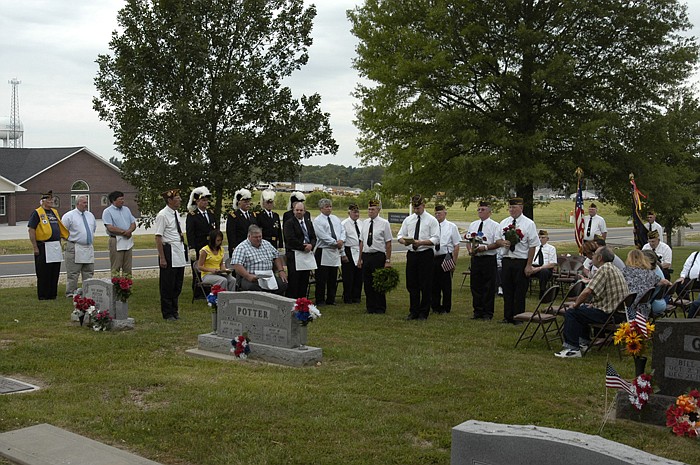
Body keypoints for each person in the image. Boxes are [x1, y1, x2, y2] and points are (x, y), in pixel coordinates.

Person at [555, 247, 629, 358]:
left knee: (572, 312)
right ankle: (583, 342)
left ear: (600, 258)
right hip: (618, 313)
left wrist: (575, 305)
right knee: (584, 309)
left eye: (594, 254)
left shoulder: (603, 270)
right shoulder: (613, 268)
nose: (592, 256)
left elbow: (587, 292)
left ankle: (572, 349)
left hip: (609, 315)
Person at [495, 197, 540, 325]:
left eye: (514, 207)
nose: (511, 210)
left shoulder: (528, 224)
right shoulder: (504, 222)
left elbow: (532, 245)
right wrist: (502, 242)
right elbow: (497, 239)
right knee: (507, 289)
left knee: (519, 291)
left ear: (521, 208)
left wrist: (529, 265)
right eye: (510, 207)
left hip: (521, 260)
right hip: (507, 259)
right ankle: (507, 316)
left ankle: (519, 317)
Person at [397, 194, 439, 320]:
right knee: (412, 283)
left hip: (425, 254)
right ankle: (413, 310)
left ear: (423, 206)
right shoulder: (409, 220)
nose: (416, 210)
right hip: (412, 254)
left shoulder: (431, 220)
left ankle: (423, 312)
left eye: (418, 208)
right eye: (414, 208)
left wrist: (420, 242)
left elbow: (435, 239)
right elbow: (400, 235)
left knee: (425, 284)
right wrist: (404, 241)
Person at [28, 190, 69, 300]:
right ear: (43, 201)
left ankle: (52, 294)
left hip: (55, 245)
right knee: (43, 271)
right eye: (49, 199)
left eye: (52, 199)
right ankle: (43, 295)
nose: (51, 201)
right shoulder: (37, 213)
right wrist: (35, 246)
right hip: (43, 245)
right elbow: (31, 230)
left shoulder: (54, 212)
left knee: (54, 270)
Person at [154, 189, 187, 321]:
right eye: (177, 198)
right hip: (168, 250)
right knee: (167, 283)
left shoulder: (175, 213)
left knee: (177, 283)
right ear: (169, 200)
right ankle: (167, 312)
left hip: (178, 249)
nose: (179, 200)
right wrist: (162, 257)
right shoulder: (163, 215)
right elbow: (158, 237)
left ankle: (175, 310)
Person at [465, 201, 501, 320]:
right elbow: (469, 240)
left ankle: (487, 313)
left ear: (489, 212)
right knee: (475, 285)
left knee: (488, 286)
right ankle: (477, 311)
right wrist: (470, 250)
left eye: (483, 209)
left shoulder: (495, 226)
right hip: (476, 258)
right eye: (479, 209)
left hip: (488, 258)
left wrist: (484, 248)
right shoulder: (473, 224)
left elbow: (497, 243)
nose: (480, 212)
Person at [358, 199, 392, 314]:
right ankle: (370, 307)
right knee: (367, 283)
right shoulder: (365, 222)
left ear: (378, 210)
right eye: (369, 209)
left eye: (373, 209)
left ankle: (380, 307)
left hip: (378, 255)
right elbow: (362, 242)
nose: (370, 211)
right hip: (367, 255)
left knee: (378, 282)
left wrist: (387, 260)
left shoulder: (384, 223)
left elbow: (388, 242)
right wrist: (360, 258)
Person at [231, 225, 287, 294]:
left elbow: (276, 256)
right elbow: (237, 265)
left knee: (283, 284)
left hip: (269, 276)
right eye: (255, 237)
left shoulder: (266, 244)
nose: (258, 239)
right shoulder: (241, 248)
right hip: (252, 277)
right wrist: (248, 276)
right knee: (254, 288)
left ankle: (275, 303)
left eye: (260, 236)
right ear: (249, 236)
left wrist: (281, 271)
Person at [61, 195, 97, 297]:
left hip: (88, 247)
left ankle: (88, 292)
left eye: (86, 202)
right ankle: (71, 292)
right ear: (77, 203)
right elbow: (63, 232)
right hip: (74, 247)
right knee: (73, 273)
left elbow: (93, 229)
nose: (86, 204)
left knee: (88, 272)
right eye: (84, 203)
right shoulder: (69, 216)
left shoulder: (90, 215)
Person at [313, 198, 346, 306]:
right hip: (324, 250)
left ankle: (331, 299)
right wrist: (334, 242)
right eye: (326, 207)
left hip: (334, 251)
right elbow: (322, 236)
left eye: (330, 206)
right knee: (321, 278)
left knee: (333, 277)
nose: (329, 209)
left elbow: (342, 230)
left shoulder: (335, 218)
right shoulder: (318, 221)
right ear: (321, 208)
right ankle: (320, 299)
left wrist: (341, 240)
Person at [186, 186, 216, 298]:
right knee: (199, 269)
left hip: (210, 246)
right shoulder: (192, 215)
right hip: (199, 246)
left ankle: (209, 290)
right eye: (203, 200)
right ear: (197, 201)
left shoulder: (211, 213)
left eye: (206, 200)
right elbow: (190, 233)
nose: (205, 202)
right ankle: (198, 292)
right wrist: (192, 248)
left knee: (210, 267)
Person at [431, 204, 461, 314]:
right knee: (434, 284)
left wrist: (454, 261)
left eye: (440, 213)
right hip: (433, 257)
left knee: (446, 285)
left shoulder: (451, 226)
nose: (437, 215)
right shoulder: (432, 226)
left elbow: (456, 245)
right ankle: (435, 306)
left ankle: (446, 307)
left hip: (446, 257)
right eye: (436, 213)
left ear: (445, 213)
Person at [284, 202, 317, 298]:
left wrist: (311, 245)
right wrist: (303, 247)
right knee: (294, 281)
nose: (299, 212)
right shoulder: (289, 223)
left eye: (301, 210)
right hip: (295, 254)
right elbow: (290, 239)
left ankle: (302, 302)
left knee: (304, 280)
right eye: (297, 210)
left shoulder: (308, 222)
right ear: (293, 211)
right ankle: (293, 301)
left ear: (304, 211)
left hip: (306, 255)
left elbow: (313, 237)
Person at [101, 190, 137, 274]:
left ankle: (127, 285)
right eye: (120, 199)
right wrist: (124, 232)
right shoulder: (107, 211)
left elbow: (133, 223)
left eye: (123, 199)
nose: (122, 201)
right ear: (114, 200)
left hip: (127, 240)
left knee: (127, 267)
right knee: (116, 266)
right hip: (116, 240)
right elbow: (110, 227)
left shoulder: (126, 210)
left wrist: (130, 231)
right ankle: (116, 286)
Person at [623, 249, 664, 318]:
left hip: (628, 309)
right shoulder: (651, 274)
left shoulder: (624, 272)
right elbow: (664, 281)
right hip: (644, 310)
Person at [341, 203, 363, 304]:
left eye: (357, 212)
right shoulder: (344, 224)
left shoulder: (361, 223)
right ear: (349, 212)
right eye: (354, 212)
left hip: (359, 249)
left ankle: (356, 296)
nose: (356, 214)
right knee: (348, 276)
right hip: (349, 250)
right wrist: (343, 254)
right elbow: (342, 240)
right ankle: (347, 297)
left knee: (359, 275)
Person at [226, 188, 256, 258]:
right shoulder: (233, 216)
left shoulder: (253, 215)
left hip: (252, 247)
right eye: (245, 202)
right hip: (239, 246)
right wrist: (234, 247)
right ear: (239, 202)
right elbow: (231, 234)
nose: (247, 204)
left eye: (248, 202)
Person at [641, 250, 672, 316]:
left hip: (652, 305)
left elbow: (641, 295)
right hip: (659, 302)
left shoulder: (652, 275)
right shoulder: (656, 268)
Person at [529, 230, 557, 299]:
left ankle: (542, 292)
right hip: (533, 266)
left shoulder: (551, 248)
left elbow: (552, 263)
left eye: (543, 237)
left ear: (547, 239)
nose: (540, 239)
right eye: (539, 237)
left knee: (543, 272)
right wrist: (530, 266)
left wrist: (539, 268)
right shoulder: (534, 247)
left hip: (545, 268)